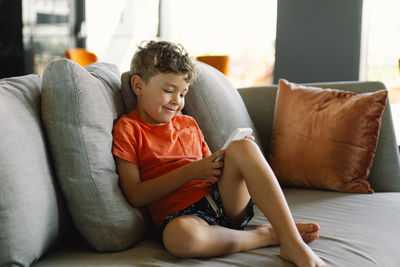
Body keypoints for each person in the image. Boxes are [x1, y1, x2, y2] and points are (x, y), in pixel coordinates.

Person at [112, 40, 327, 267]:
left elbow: (208, 168)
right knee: (180, 240)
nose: (177, 102)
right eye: (168, 90)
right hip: (183, 219)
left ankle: (291, 241)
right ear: (138, 86)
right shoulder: (128, 129)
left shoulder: (188, 123)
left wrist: (225, 160)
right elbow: (135, 194)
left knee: (243, 147)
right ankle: (267, 235)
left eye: (183, 94)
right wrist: (191, 172)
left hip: (224, 201)